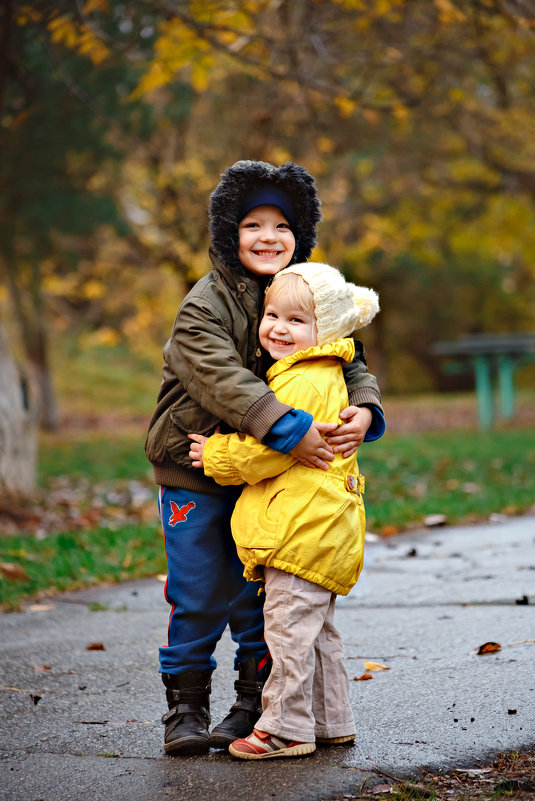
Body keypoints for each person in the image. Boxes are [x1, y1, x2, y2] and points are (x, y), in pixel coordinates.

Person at [144, 160, 385, 757]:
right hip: (198, 467)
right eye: (253, 224)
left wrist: (364, 407)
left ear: (300, 234)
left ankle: (256, 704)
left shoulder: (309, 291)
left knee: (263, 596)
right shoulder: (205, 304)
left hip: (267, 478)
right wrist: (288, 428)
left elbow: (346, 355)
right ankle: (186, 706)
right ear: (230, 232)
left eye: (282, 225)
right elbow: (221, 379)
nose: (269, 237)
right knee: (199, 592)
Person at [188, 263, 379, 759]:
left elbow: (270, 448)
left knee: (288, 635)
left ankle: (284, 728)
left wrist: (215, 455)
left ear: (326, 331)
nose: (277, 328)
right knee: (318, 635)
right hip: (323, 531)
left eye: (296, 321)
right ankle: (331, 721)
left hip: (299, 530)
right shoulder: (324, 373)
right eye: (272, 315)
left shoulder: (302, 382)